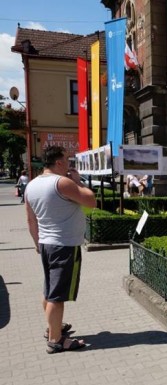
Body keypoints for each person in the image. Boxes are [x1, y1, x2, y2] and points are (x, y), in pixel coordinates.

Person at [24, 146, 98, 354]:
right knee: (58, 296)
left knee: (49, 290)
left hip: (47, 244)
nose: (69, 164)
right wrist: (78, 182)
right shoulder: (62, 183)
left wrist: (37, 243)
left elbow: (30, 220)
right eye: (67, 160)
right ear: (58, 162)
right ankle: (56, 340)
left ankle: (53, 328)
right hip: (64, 245)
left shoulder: (31, 185)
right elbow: (91, 201)